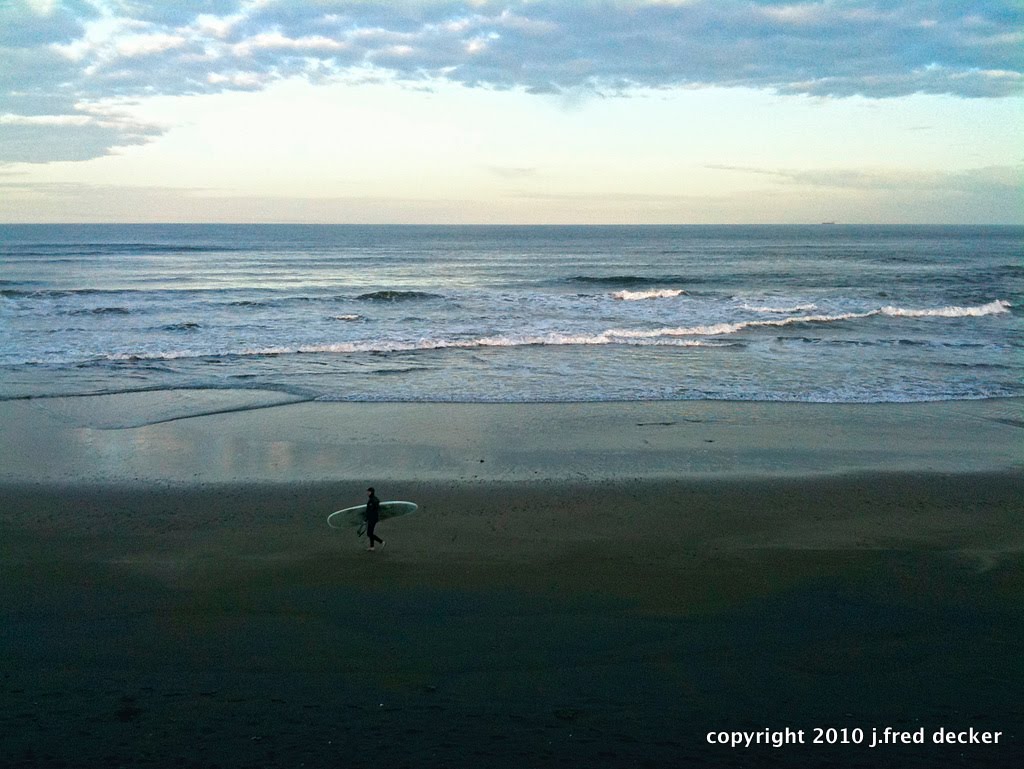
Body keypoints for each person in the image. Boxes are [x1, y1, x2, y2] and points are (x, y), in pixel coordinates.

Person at [365, 487, 385, 551]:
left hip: (372, 519)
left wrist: (366, 518)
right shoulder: (373, 499)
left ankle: (381, 542)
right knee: (370, 532)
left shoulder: (373, 500)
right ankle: (372, 547)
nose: (367, 493)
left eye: (368, 492)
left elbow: (371, 511)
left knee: (369, 533)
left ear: (371, 492)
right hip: (372, 518)